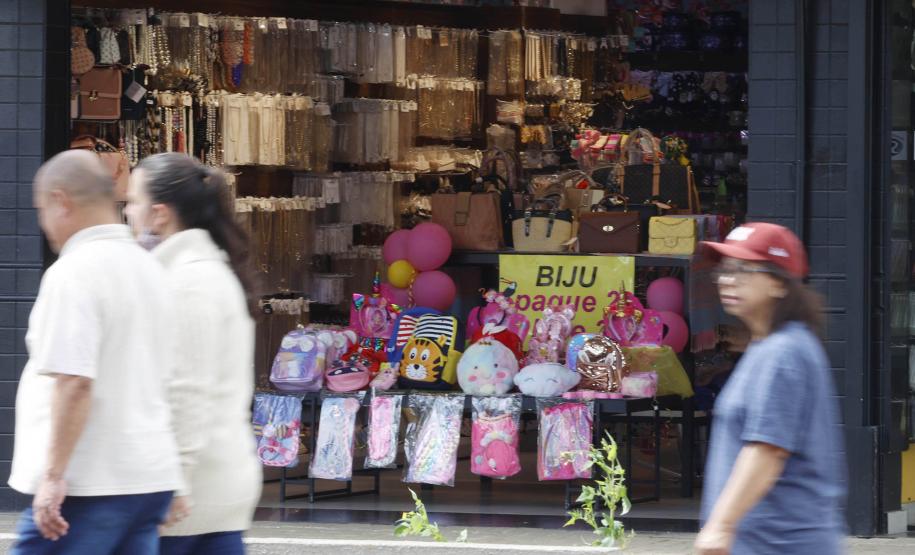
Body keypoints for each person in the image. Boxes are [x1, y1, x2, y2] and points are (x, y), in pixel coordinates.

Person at [9, 150, 183, 553]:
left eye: (42, 209)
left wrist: (53, 477)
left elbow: (73, 382)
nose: (43, 223)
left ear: (61, 201)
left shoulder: (75, 272)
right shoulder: (150, 269)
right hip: (147, 476)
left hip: (89, 481)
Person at [125, 153, 262, 555]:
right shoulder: (207, 271)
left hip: (193, 495)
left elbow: (187, 389)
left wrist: (176, 481)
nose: (128, 211)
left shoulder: (188, 282)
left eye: (133, 201)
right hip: (216, 483)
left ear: (160, 213)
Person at [695, 223, 847, 554]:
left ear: (779, 284)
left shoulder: (783, 352)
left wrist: (721, 526)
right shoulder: (768, 348)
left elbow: (767, 449)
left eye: (744, 270)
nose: (728, 279)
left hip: (781, 543)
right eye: (724, 270)